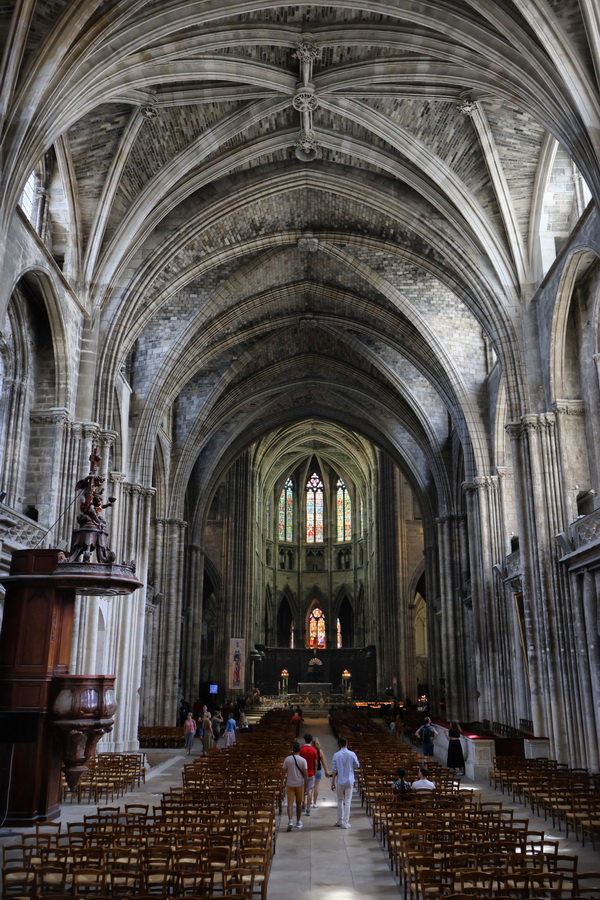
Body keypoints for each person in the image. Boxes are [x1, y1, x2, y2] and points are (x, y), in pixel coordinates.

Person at [330, 737, 360, 829]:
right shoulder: (352, 754)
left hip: (340, 780)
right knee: (347, 801)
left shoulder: (336, 755)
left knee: (340, 800)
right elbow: (357, 765)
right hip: (349, 780)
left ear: (339, 744)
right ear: (347, 743)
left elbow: (334, 770)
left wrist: (333, 782)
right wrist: (350, 766)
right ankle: (346, 822)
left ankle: (340, 820)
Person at [281, 740, 309, 831]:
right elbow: (306, 775)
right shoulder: (303, 760)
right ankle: (298, 821)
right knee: (299, 803)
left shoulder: (287, 759)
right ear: (299, 750)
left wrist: (281, 783)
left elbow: (283, 772)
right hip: (299, 784)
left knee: (290, 803)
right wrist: (306, 787)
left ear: (292, 750)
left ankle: (290, 821)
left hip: (290, 783)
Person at [299, 733, 319, 815]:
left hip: (302, 773)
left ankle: (303, 805)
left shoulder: (301, 749)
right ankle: (308, 809)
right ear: (311, 741)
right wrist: (314, 772)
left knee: (303, 790)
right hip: (311, 773)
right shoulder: (314, 750)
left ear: (305, 740)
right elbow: (316, 763)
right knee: (310, 791)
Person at [311, 737, 331, 808]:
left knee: (311, 787)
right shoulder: (320, 751)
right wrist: (326, 771)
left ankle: (310, 801)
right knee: (316, 786)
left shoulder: (311, 751)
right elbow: (323, 763)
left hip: (311, 770)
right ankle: (315, 803)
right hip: (318, 770)